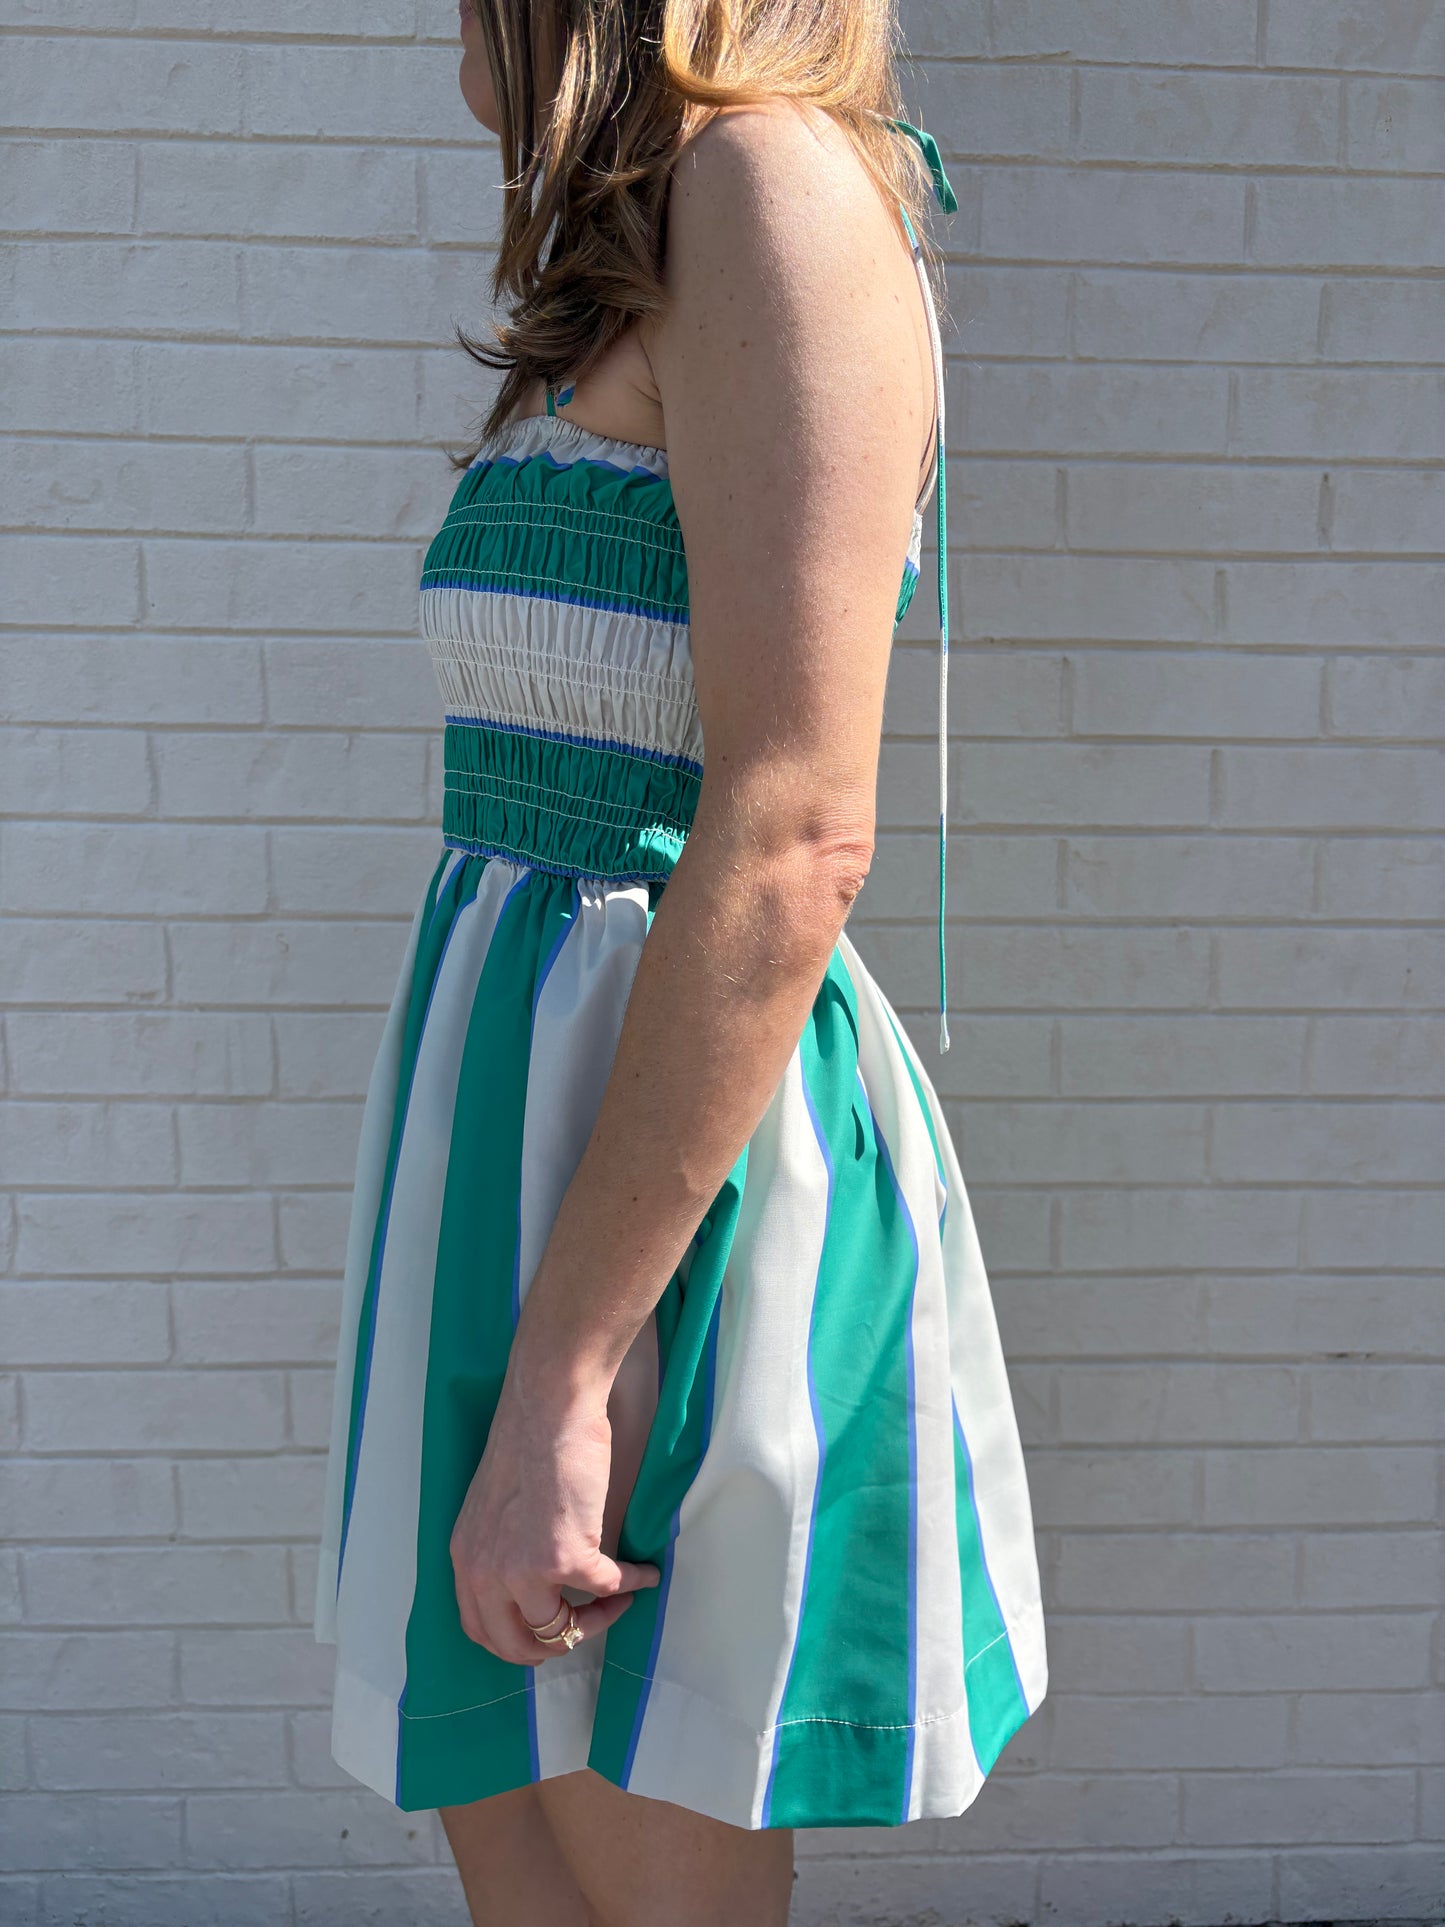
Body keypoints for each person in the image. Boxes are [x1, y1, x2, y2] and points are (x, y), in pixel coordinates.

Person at [311, 0, 1048, 1919]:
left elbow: (797, 827)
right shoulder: (657, 237)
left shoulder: (770, 191)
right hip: (524, 1142)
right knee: (529, 1861)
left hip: (654, 1191)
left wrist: (573, 1366)